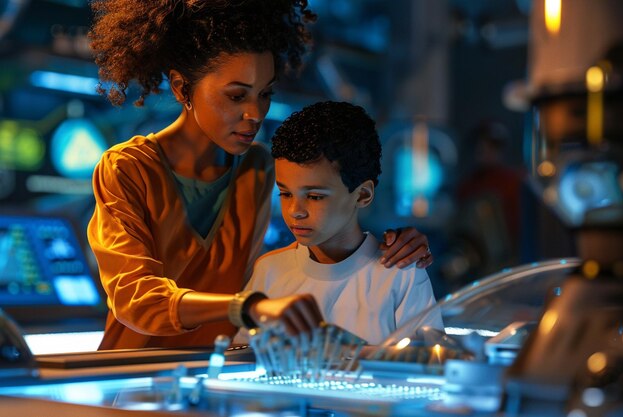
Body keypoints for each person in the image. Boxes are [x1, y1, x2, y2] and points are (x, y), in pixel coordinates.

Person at [87, 0, 433, 350]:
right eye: (236, 95)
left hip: (219, 376)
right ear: (181, 88)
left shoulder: (257, 167)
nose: (254, 113)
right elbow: (135, 298)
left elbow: (285, 260)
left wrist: (387, 248)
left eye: (264, 94)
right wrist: (249, 307)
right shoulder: (127, 169)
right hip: (133, 375)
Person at [236, 102, 443, 345]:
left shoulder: (400, 274)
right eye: (285, 193)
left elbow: (429, 363)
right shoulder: (270, 271)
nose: (295, 211)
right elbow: (242, 356)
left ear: (363, 195)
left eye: (314, 197)